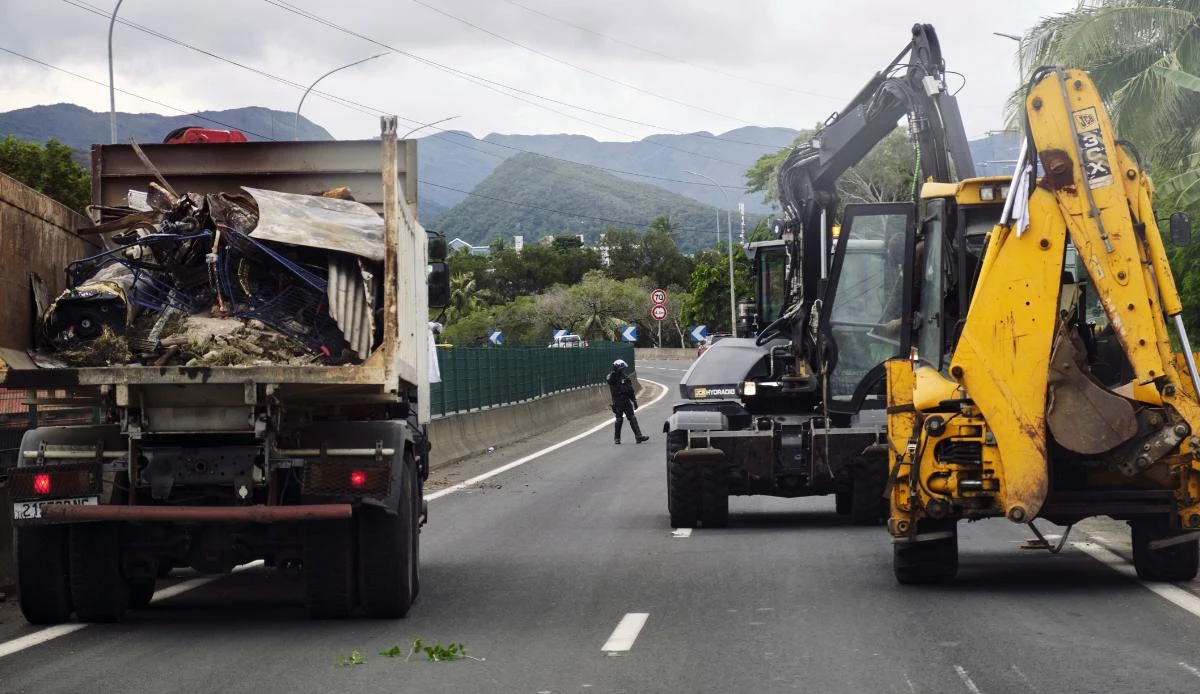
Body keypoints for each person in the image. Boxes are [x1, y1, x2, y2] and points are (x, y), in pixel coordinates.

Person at [607, 359, 648, 444]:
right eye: (622, 368)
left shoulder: (625, 377)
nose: (623, 370)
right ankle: (617, 438)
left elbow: (630, 390)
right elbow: (609, 380)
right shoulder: (612, 377)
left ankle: (638, 436)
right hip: (618, 401)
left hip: (626, 400)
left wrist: (634, 400)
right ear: (617, 367)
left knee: (632, 418)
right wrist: (614, 371)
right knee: (619, 419)